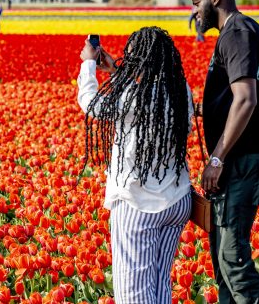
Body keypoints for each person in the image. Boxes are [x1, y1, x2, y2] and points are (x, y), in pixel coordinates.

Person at [77, 27, 192, 303]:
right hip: (177, 201)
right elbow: (142, 96)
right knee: (159, 285)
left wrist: (88, 64)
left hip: (139, 205)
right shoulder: (179, 90)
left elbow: (92, 104)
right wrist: (115, 70)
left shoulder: (134, 95)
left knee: (134, 294)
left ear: (138, 61)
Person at [190, 0, 259, 302]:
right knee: (221, 256)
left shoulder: (238, 32)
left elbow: (246, 98)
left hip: (241, 161)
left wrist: (217, 157)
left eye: (195, 2)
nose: (193, 12)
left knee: (232, 258)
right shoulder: (238, 32)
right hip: (238, 159)